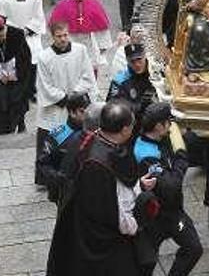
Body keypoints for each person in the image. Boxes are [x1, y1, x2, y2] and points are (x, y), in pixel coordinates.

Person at [46, 101, 155, 275]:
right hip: (101, 244)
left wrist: (138, 184)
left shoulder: (88, 140)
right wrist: (136, 222)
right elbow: (116, 213)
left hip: (81, 228)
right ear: (125, 129)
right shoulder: (100, 165)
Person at [133, 102, 203, 276]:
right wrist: (181, 160)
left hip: (172, 211)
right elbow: (171, 185)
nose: (171, 126)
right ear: (158, 126)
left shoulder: (159, 138)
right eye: (168, 123)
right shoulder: (146, 155)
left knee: (193, 248)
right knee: (145, 264)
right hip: (155, 216)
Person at [35, 21, 97, 180]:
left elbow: (88, 75)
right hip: (56, 107)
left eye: (65, 35)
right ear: (52, 37)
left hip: (77, 104)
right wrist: (65, 98)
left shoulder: (80, 50)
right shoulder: (44, 57)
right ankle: (49, 176)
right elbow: (44, 85)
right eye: (59, 36)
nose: (63, 39)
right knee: (55, 140)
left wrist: (75, 95)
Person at [0, 0, 46, 101]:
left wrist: (27, 30)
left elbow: (39, 17)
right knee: (17, 65)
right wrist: (15, 31)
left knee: (32, 65)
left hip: (31, 37)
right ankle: (19, 91)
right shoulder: (5, 1)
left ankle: (31, 91)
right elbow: (2, 19)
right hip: (14, 38)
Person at [49, 0, 113, 73]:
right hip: (71, 41)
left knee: (91, 71)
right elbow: (55, 27)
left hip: (89, 42)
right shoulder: (63, 5)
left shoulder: (94, 3)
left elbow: (102, 27)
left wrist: (102, 47)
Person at [36, 92, 90, 203]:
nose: (87, 114)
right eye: (82, 111)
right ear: (72, 112)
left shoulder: (93, 131)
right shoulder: (58, 135)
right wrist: (58, 179)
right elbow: (43, 163)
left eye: (88, 110)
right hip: (64, 193)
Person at [106, 43, 157, 120]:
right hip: (132, 122)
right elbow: (111, 107)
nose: (137, 64)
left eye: (139, 59)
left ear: (145, 56)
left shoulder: (157, 73)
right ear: (127, 61)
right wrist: (139, 105)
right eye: (132, 61)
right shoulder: (119, 80)